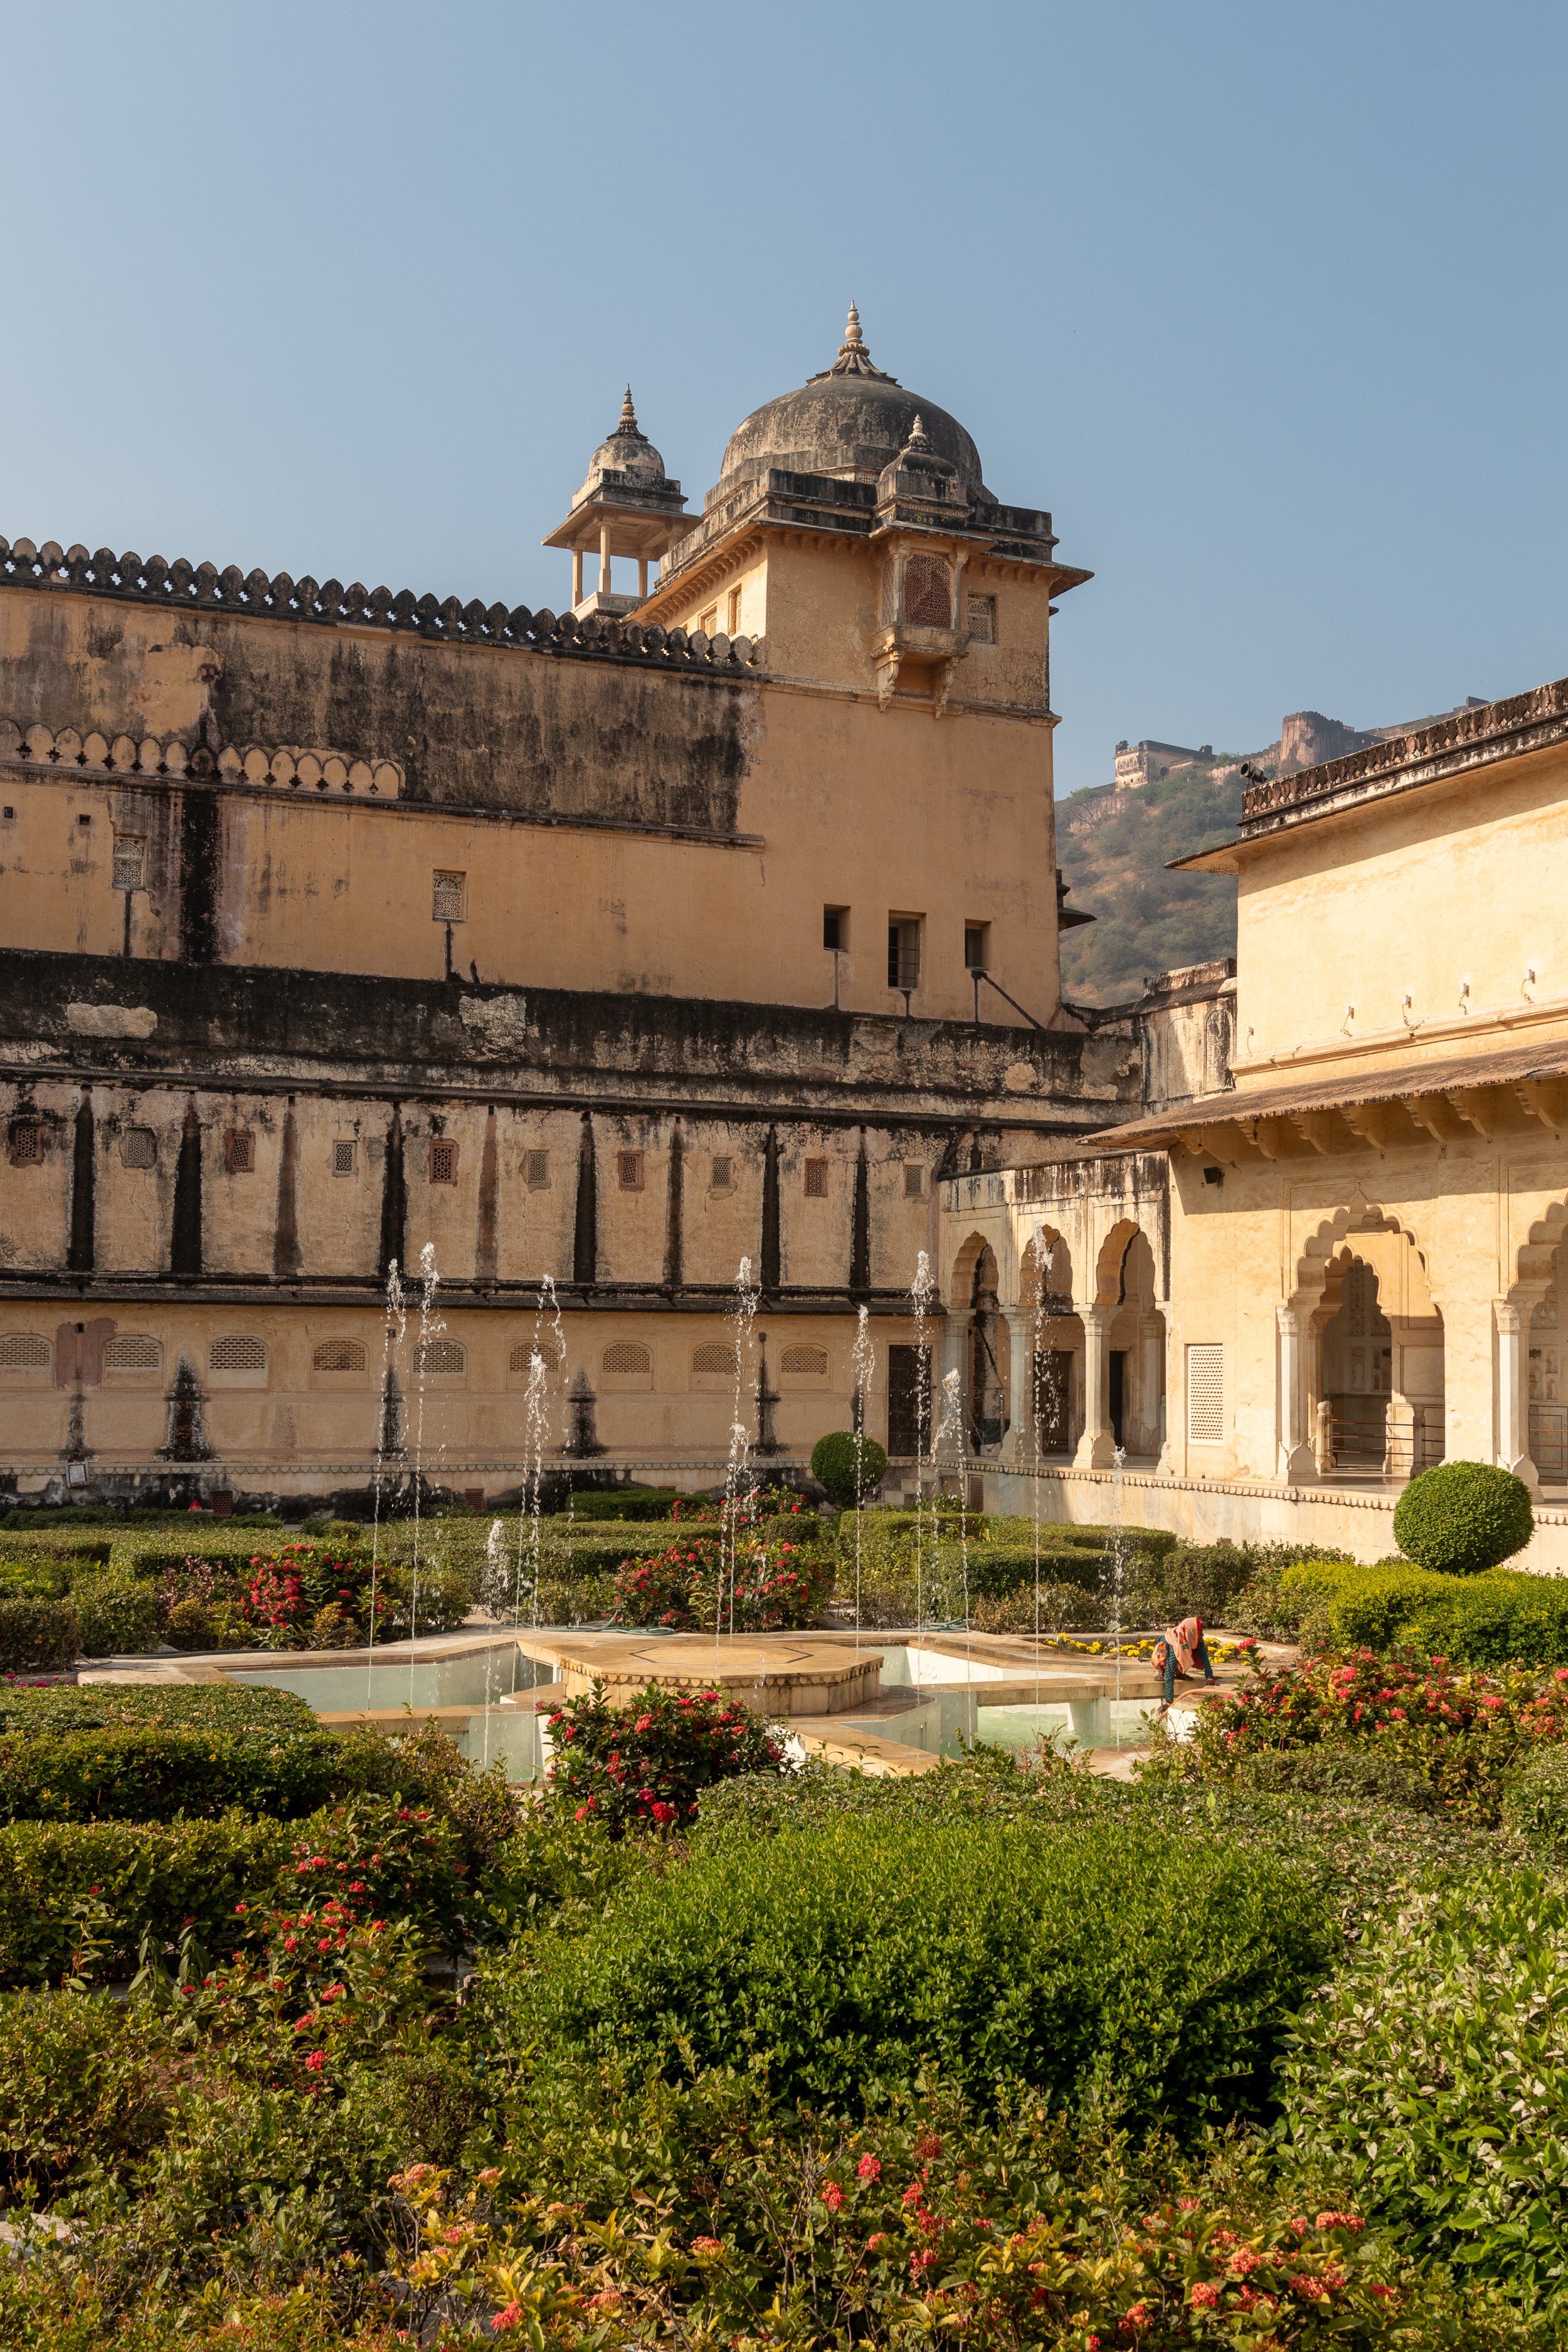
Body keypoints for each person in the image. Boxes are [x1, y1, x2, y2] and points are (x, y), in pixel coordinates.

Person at [1153, 1614, 1216, 1712]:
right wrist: (1169, 1702)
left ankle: (1179, 1673)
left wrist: (1210, 1677)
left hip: (1182, 1649)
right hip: (1165, 1653)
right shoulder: (1176, 1644)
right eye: (1200, 1633)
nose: (1202, 1635)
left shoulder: (1195, 1639)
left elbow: (1205, 1659)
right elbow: (1169, 1674)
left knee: (1190, 1652)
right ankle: (1161, 1671)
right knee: (1163, 1649)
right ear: (1192, 1632)